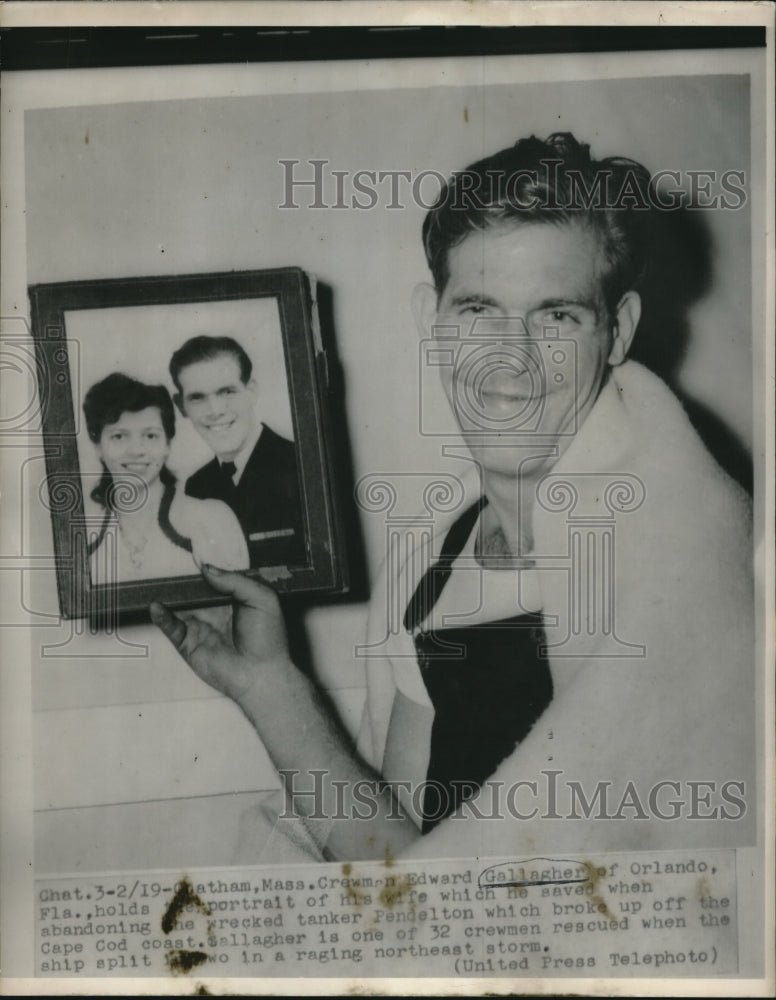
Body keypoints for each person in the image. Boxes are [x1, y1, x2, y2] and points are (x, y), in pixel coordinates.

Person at [151, 133, 753, 862]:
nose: (510, 358)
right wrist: (268, 685)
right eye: (477, 311)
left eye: (556, 316)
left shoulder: (678, 559)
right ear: (430, 322)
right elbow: (403, 870)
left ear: (617, 330)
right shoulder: (435, 555)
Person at [84, 373, 249, 583]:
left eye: (150, 435)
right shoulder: (83, 532)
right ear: (98, 446)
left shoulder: (211, 519)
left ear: (167, 444)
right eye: (119, 436)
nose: (137, 450)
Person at [168, 335, 305, 568]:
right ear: (182, 406)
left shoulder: (302, 467)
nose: (215, 410)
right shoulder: (197, 487)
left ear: (251, 391)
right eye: (197, 397)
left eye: (227, 392)